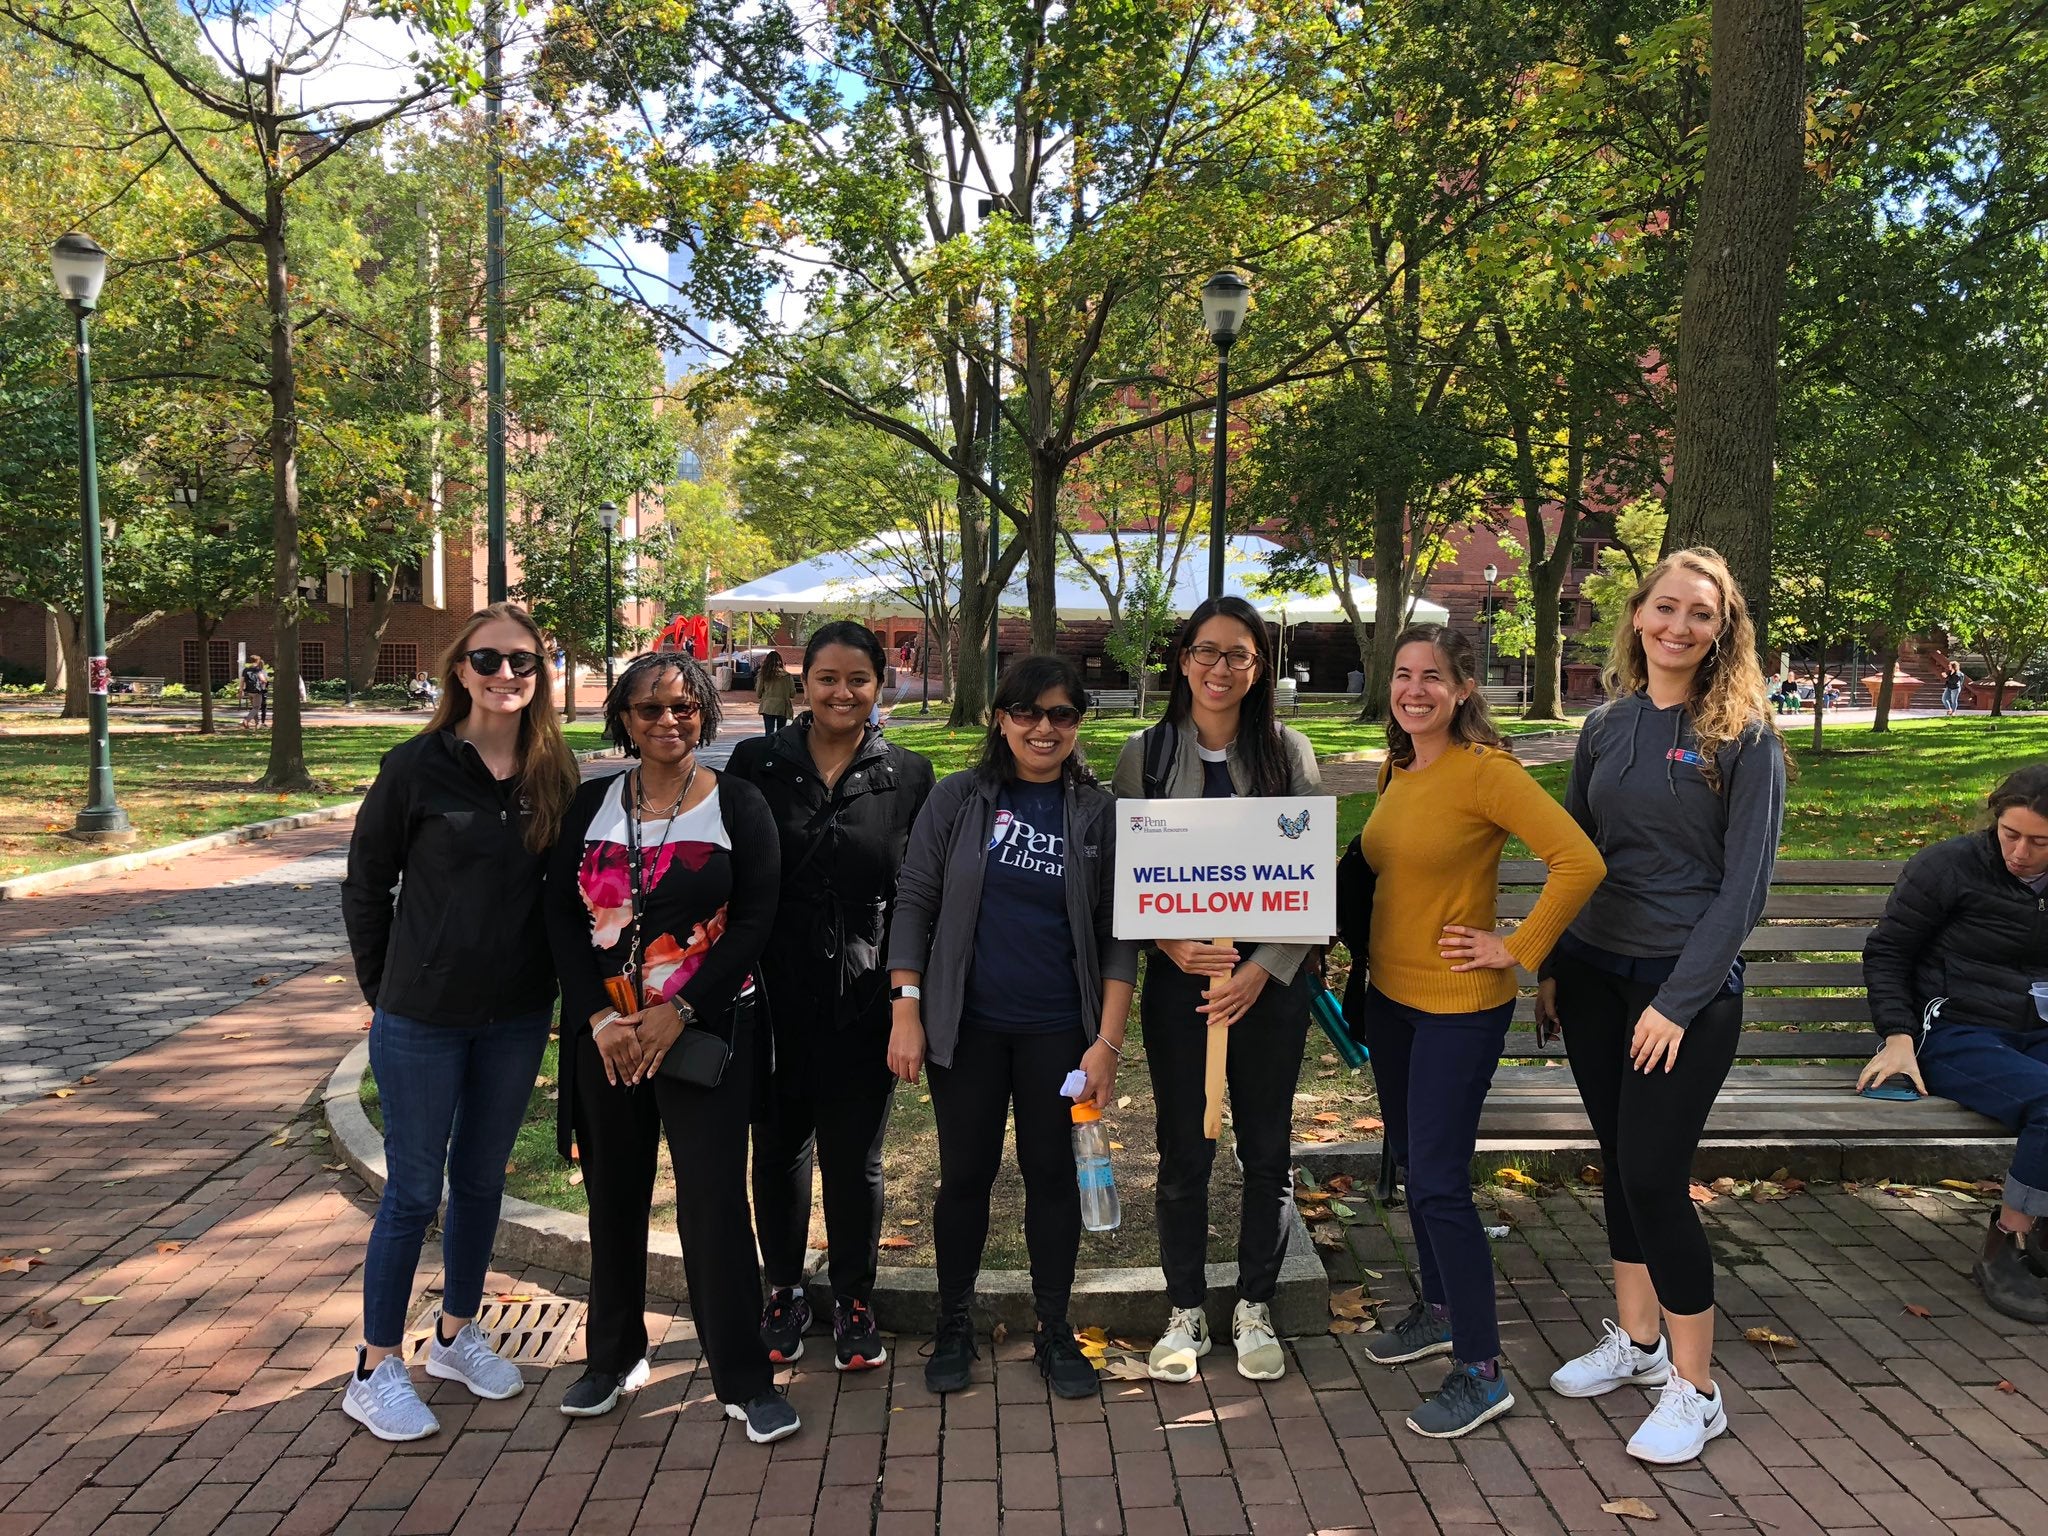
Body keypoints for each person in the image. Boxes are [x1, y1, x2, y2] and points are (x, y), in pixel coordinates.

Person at [1538, 547, 1788, 1466]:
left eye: (1702, 614)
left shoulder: (1745, 736)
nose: (1681, 627)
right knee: (1617, 1161)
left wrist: (1678, 1002)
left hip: (1682, 991)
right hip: (1598, 977)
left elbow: (1745, 890)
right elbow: (1581, 857)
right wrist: (1556, 967)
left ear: (1724, 632)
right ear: (1638, 616)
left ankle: (1698, 1389)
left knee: (1653, 1173)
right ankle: (1639, 1346)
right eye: (1667, 608)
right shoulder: (1605, 724)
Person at [337, 603, 580, 1441]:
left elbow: (571, 896)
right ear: (459, 669)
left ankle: (455, 1333)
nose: (507, 675)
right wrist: (384, 987)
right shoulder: (415, 768)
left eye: (523, 662)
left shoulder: (555, 772)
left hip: (514, 1016)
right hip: (422, 1018)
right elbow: (366, 885)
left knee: (481, 1182)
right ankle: (373, 1367)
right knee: (411, 1192)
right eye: (489, 660)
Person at [1353, 624, 1604, 1438]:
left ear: (1464, 688)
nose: (1414, 689)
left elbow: (1580, 861)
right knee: (1414, 1162)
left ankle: (1482, 1369)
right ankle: (1437, 1311)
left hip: (1460, 1004)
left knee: (1437, 1180)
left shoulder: (1486, 772)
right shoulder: (1400, 764)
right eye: (1402, 674)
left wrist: (1517, 945)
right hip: (1391, 997)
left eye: (1432, 676)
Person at [544, 652, 800, 1444]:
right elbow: (560, 922)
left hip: (706, 1032)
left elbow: (756, 920)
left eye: (685, 707)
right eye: (650, 708)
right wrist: (596, 1022)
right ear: (622, 715)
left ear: (705, 715)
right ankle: (612, 1357)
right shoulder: (588, 804)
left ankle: (743, 1378)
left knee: (714, 1205)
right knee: (613, 1197)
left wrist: (681, 1008)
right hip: (609, 1038)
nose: (668, 720)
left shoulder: (739, 804)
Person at [886, 655, 1137, 1402]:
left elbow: (1119, 932)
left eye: (1062, 714)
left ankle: (1055, 1329)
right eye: (1027, 711)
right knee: (966, 1175)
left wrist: (1108, 1041)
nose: (1043, 727)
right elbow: (915, 900)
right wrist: (905, 1003)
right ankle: (954, 1320)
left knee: (1051, 1175)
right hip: (966, 1028)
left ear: (1078, 724)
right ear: (1000, 717)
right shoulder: (959, 800)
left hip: (1059, 1032)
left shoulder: (1099, 811)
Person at [1109, 595, 1322, 1386]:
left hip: (1270, 984)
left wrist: (1258, 970)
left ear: (1259, 665)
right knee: (1183, 1151)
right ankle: (1185, 1307)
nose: (1220, 668)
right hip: (1182, 989)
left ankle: (1256, 1305)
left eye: (1238, 654)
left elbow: (1307, 888)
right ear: (1183, 660)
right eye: (1206, 652)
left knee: (1266, 1151)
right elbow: (1128, 875)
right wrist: (1173, 943)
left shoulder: (1287, 752)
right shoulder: (1148, 754)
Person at [728, 622, 936, 1370]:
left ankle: (853, 1296)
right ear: (802, 684)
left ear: (880, 684)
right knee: (779, 1147)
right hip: (773, 988)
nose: (842, 693)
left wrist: (906, 994)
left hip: (866, 990)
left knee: (857, 1157)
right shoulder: (757, 763)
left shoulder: (909, 774)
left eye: (858, 679)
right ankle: (780, 1287)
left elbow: (918, 892)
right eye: (827, 679)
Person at [1860, 764, 2048, 1323]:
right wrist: (1897, 1037)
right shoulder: (1950, 866)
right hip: (1956, 1029)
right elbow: (1888, 952)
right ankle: (2007, 1245)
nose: (2019, 852)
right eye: (2009, 834)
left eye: (2039, 843)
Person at [755, 650, 796, 736]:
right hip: (782, 707)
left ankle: (769, 748)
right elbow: (792, 694)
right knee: (781, 734)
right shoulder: (787, 676)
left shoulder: (763, 674)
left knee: (769, 733)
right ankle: (779, 749)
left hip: (767, 706)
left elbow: (758, 692)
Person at [241, 654, 266, 727]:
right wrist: (264, 682)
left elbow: (242, 681)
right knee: (256, 707)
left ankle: (257, 722)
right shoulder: (258, 669)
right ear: (258, 661)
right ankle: (247, 720)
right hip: (257, 691)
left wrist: (240, 691)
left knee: (254, 707)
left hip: (249, 691)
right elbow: (263, 679)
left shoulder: (245, 670)